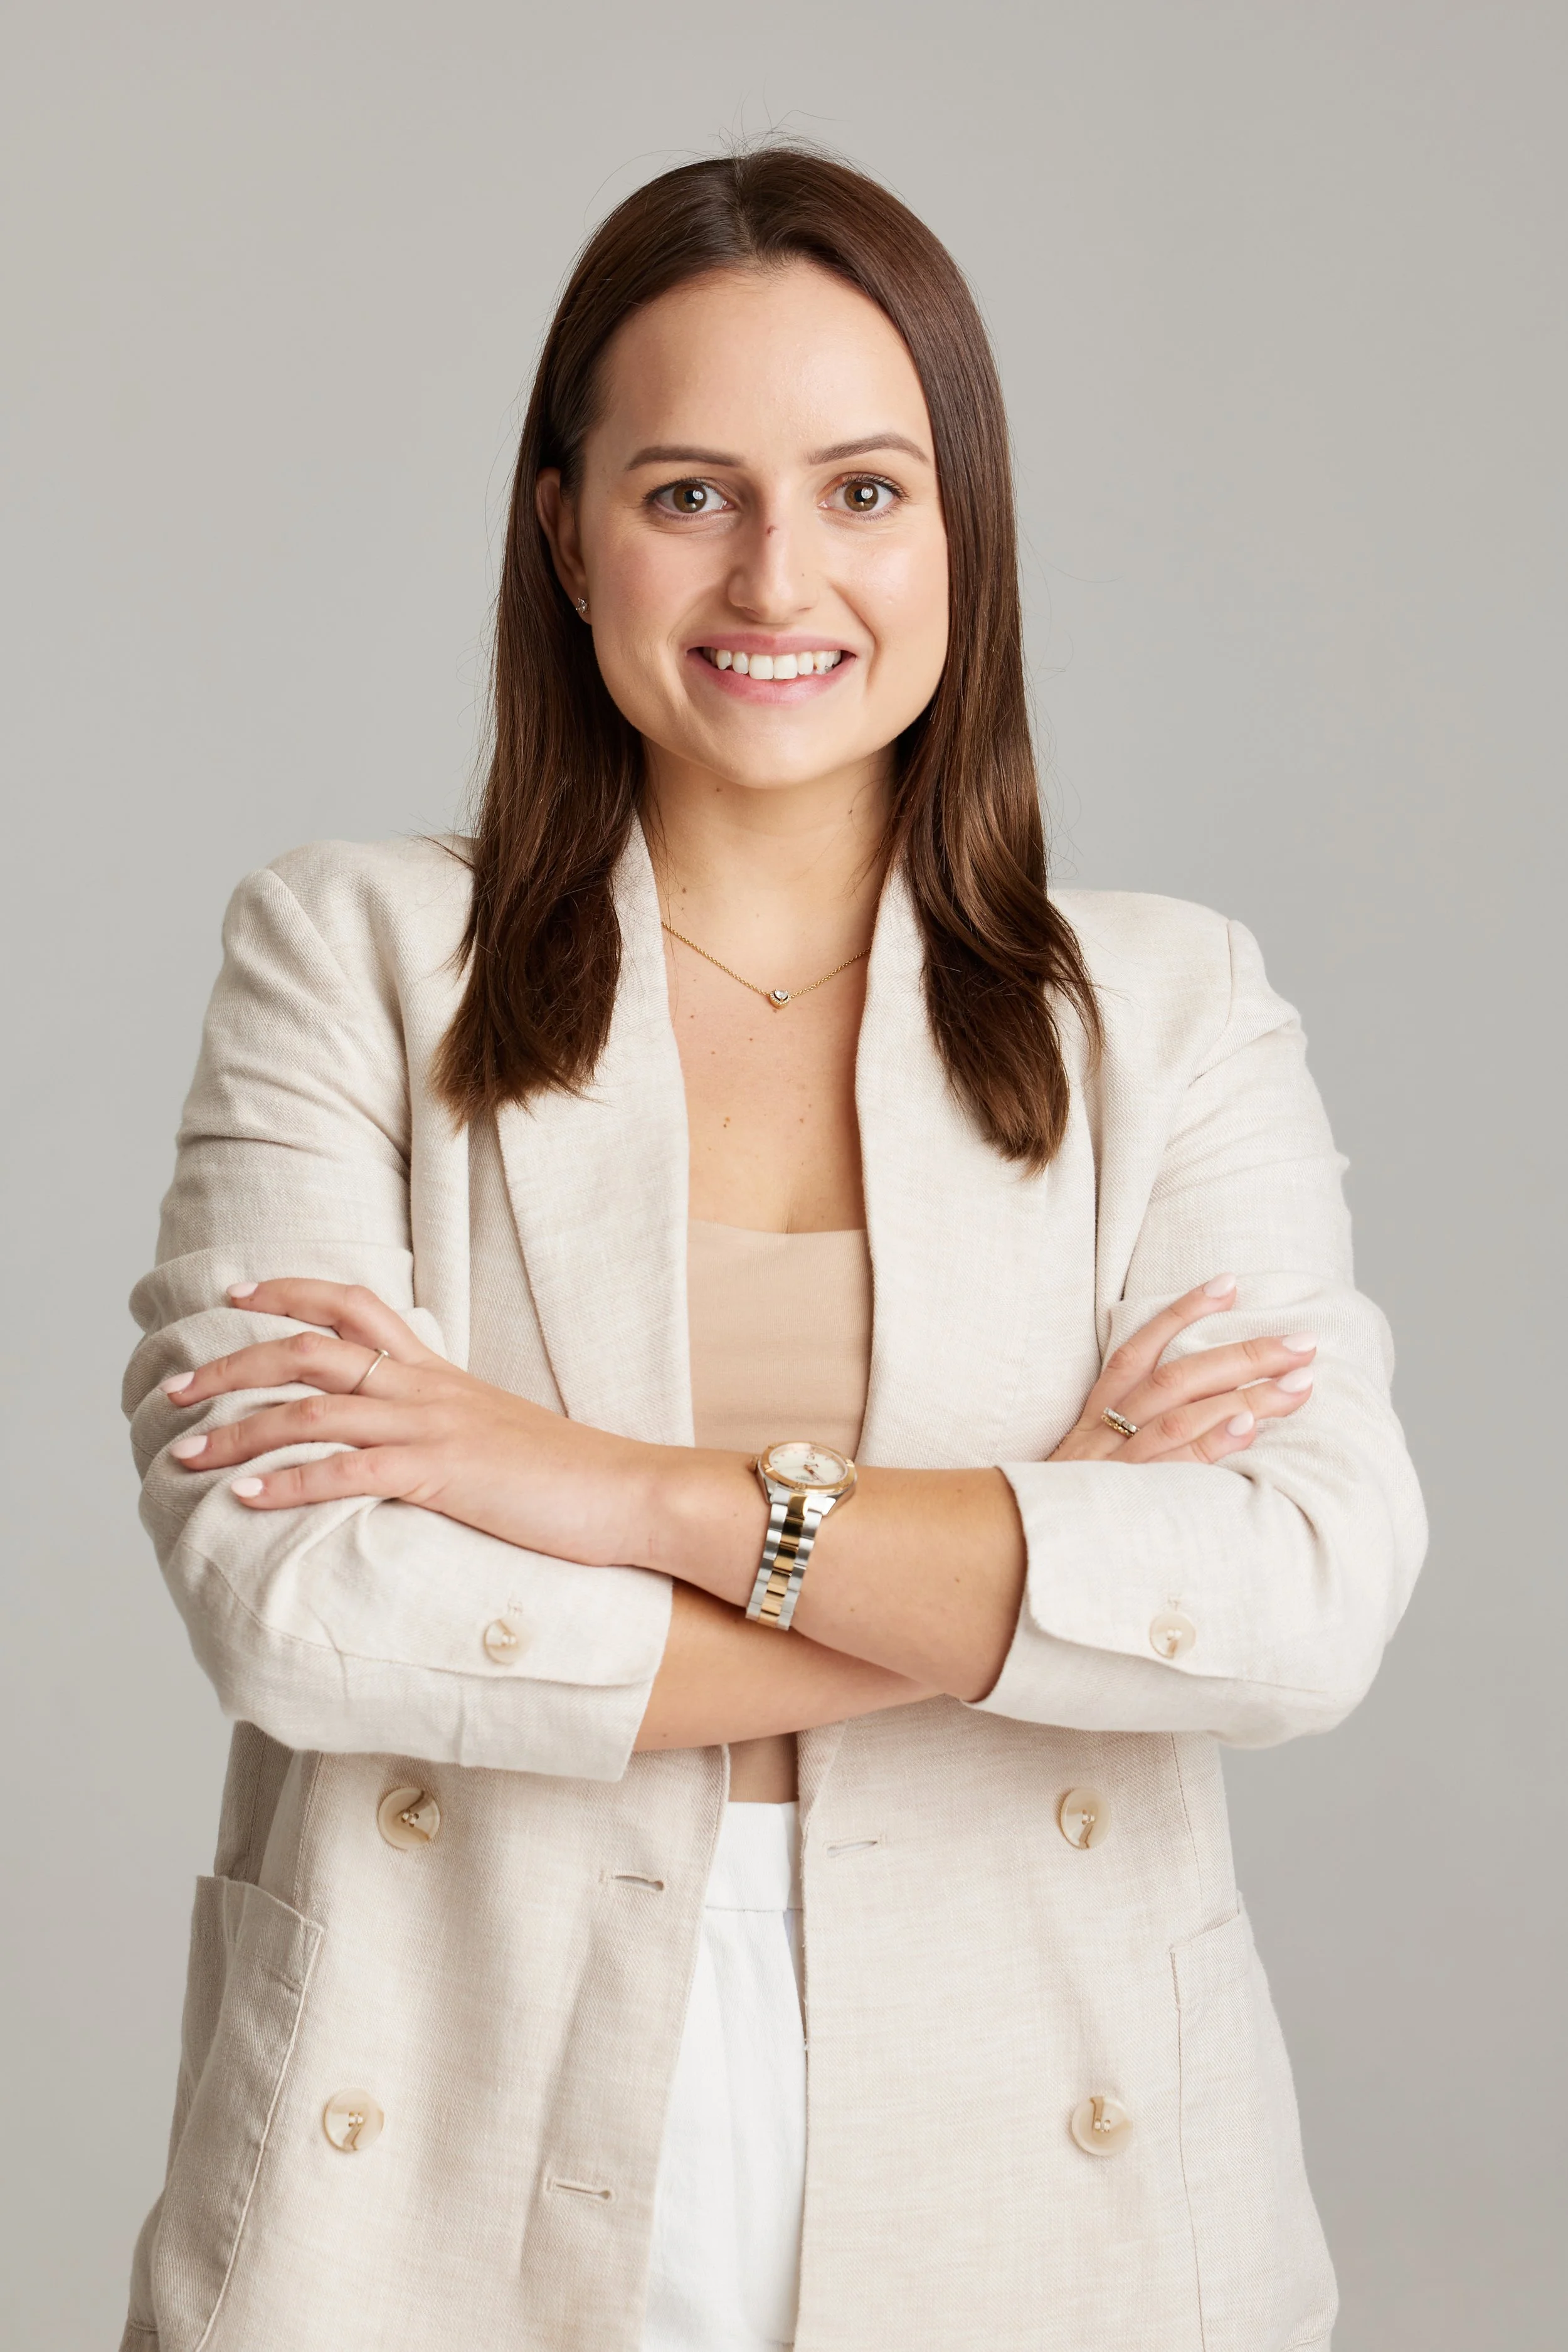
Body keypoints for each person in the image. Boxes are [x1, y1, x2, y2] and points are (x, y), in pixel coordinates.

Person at [119, 147, 1425, 2352]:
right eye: (689, 491)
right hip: (443, 2090)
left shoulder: (1170, 1008)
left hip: (1039, 2113)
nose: (777, 574)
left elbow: (1296, 1598)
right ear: (563, 524)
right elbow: (304, 1603)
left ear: (959, 532)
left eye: (862, 489)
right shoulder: (349, 953)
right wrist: (1024, 1564)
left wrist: (604, 1488)